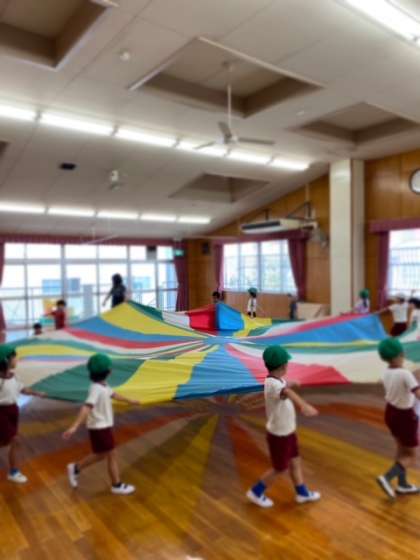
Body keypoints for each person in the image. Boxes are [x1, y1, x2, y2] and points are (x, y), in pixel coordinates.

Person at [246, 345, 321, 508]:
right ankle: (256, 492)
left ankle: (302, 493)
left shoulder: (275, 380)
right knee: (279, 468)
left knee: (295, 461)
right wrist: (303, 405)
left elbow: (284, 388)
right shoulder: (273, 385)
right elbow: (285, 392)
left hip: (287, 432)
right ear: (284, 366)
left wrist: (291, 383)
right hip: (279, 436)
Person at [63, 353, 140, 495]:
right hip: (99, 427)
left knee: (102, 454)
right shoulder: (96, 389)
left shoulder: (102, 385)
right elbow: (87, 407)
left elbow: (113, 394)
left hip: (104, 426)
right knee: (111, 454)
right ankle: (116, 485)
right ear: (108, 372)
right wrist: (74, 426)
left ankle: (76, 468)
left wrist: (130, 401)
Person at [376, 338, 420, 498]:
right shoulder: (405, 373)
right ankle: (386, 478)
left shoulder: (386, 372)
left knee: (401, 450)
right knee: (412, 456)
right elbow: (418, 393)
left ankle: (403, 485)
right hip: (405, 417)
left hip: (391, 413)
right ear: (401, 354)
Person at [0, 344, 45, 483]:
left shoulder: (14, 376)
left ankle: (13, 472)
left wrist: (36, 393)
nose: (17, 360)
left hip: (13, 410)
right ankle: (13, 472)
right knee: (16, 440)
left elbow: (22, 389)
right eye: (14, 357)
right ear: (6, 360)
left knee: (5, 441)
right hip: (1, 413)